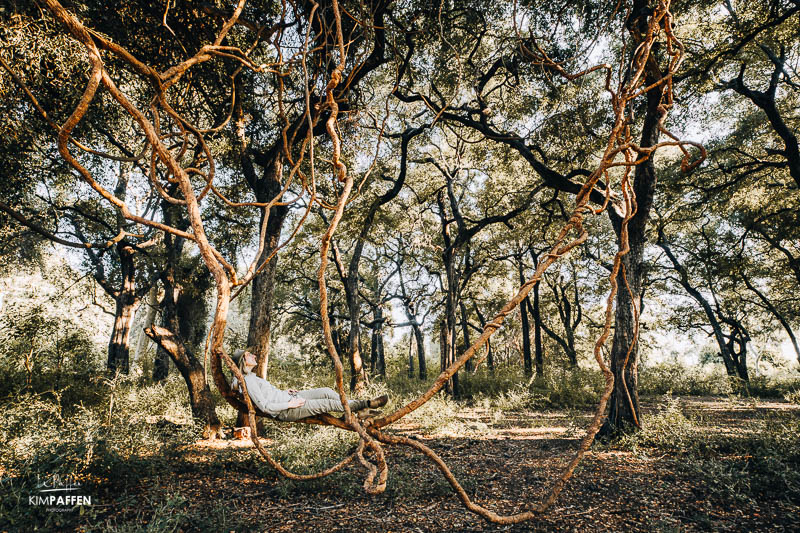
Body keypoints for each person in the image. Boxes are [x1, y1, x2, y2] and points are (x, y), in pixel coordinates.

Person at [230, 348, 388, 422]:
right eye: (249, 355)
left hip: (289, 398)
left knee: (326, 391)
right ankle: (366, 404)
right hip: (286, 410)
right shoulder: (247, 382)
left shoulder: (251, 377)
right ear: (243, 361)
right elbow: (265, 407)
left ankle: (359, 411)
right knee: (327, 403)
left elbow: (269, 394)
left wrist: (285, 392)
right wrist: (290, 404)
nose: (254, 355)